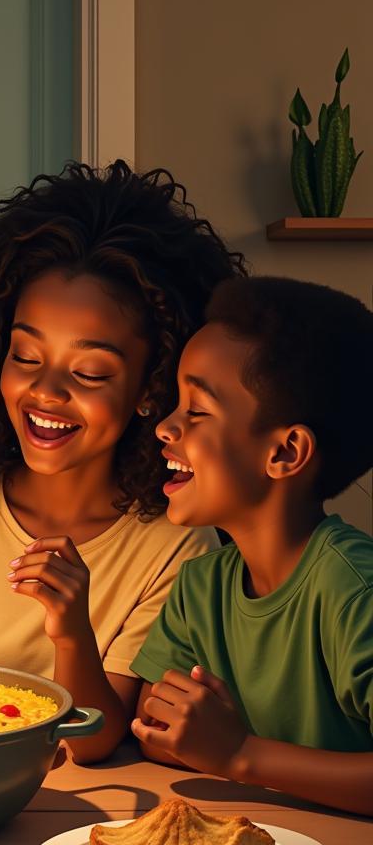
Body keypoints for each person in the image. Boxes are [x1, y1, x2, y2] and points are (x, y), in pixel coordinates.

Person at [0, 161, 244, 762]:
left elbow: (95, 740)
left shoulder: (178, 542)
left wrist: (71, 632)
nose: (45, 392)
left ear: (152, 388)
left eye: (90, 372)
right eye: (25, 355)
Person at [130, 276, 373, 816]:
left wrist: (239, 754)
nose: (165, 427)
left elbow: (196, 741)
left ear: (286, 452)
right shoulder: (202, 584)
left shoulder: (353, 589)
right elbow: (153, 724)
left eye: (196, 410)